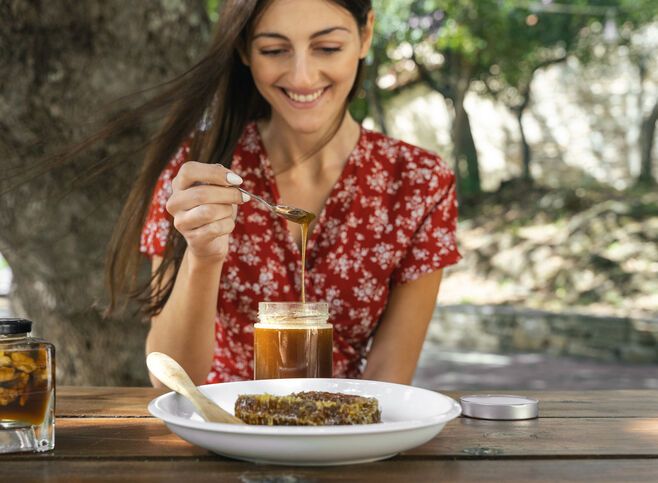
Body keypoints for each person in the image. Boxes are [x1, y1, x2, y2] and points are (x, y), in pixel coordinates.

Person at [108, 0, 461, 386]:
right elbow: (171, 378)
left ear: (365, 35)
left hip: (345, 437)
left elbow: (388, 382)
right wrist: (203, 256)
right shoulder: (198, 171)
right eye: (274, 50)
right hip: (223, 432)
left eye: (327, 48)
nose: (303, 76)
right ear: (244, 50)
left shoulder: (419, 183)